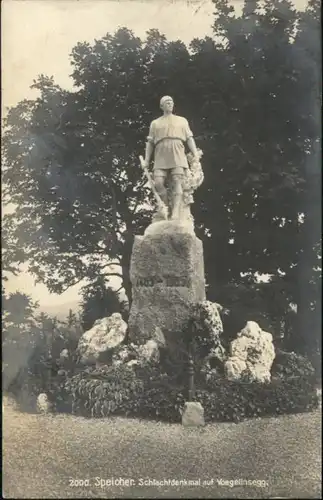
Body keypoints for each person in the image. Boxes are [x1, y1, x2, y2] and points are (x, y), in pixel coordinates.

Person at [142, 96, 200, 220]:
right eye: (166, 103)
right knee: (158, 182)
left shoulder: (182, 121)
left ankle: (176, 212)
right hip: (161, 152)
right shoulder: (155, 123)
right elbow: (150, 142)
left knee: (177, 181)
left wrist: (195, 154)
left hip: (177, 150)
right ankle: (166, 206)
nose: (169, 104)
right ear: (161, 106)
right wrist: (146, 160)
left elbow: (189, 138)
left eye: (171, 102)